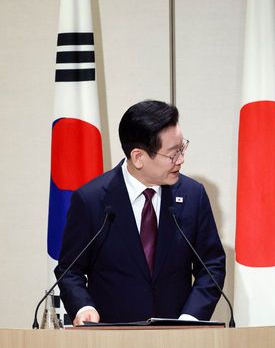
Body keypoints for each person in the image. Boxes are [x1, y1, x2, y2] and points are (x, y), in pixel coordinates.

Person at [55, 100, 226, 325]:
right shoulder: (91, 200)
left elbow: (211, 265)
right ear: (138, 157)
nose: (181, 160)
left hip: (178, 337)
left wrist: (190, 319)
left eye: (182, 148)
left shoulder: (193, 195)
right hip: (113, 335)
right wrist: (83, 307)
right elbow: (70, 270)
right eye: (172, 154)